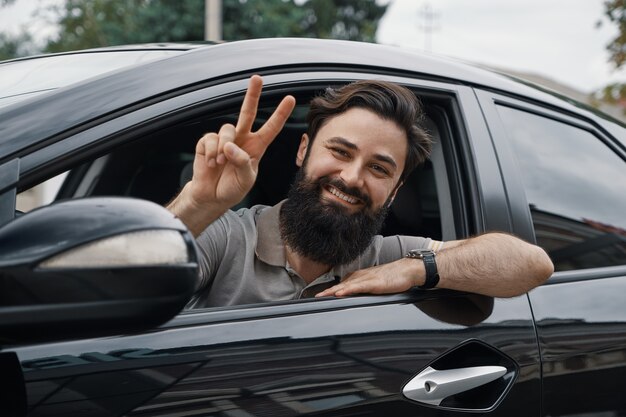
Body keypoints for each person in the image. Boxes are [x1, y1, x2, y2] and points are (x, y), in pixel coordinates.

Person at [167, 75, 554, 308]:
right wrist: (199, 203)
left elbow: (532, 264)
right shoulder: (226, 234)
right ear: (303, 150)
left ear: (395, 189)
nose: (352, 178)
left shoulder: (387, 257)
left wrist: (414, 269)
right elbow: (117, 280)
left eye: (378, 168)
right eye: (339, 151)